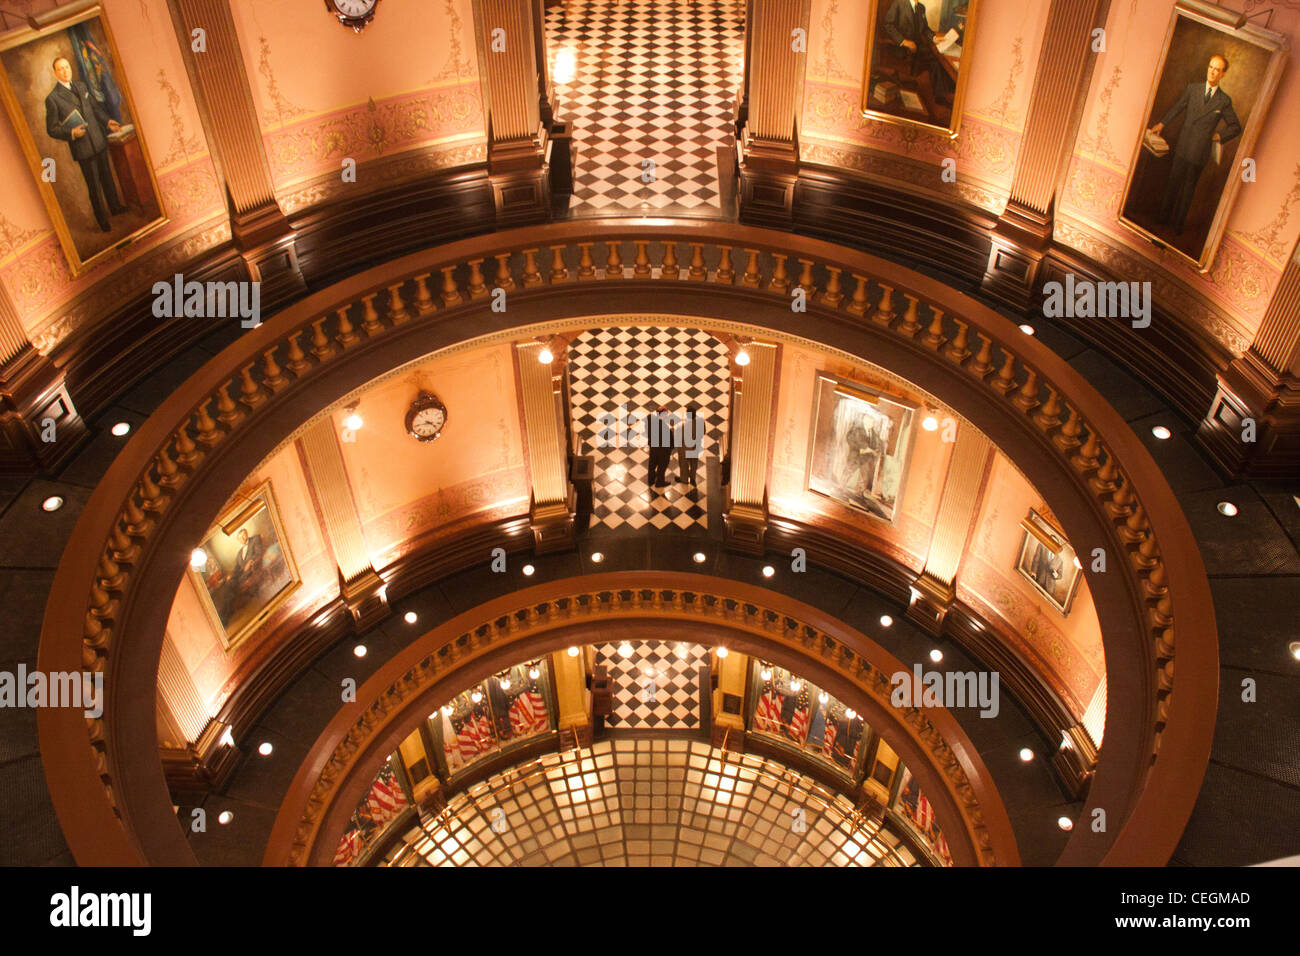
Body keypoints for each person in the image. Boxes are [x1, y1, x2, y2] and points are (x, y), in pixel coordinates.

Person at [1148, 54, 1242, 235]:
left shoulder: (1224, 100)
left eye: (1217, 70)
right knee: (1173, 183)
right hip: (1184, 145)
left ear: (1223, 75)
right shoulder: (1193, 89)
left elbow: (1235, 127)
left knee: (1188, 189)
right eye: (1211, 67)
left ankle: (1177, 226)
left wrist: (1218, 136)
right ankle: (1162, 219)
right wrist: (1162, 123)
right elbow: (1178, 107)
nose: (1212, 72)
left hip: (1200, 151)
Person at [44, 55, 127, 233]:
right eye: (61, 69)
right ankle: (103, 220)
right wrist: (72, 133)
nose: (65, 71)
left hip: (98, 140)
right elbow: (52, 129)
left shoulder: (81, 86)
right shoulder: (53, 98)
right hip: (82, 148)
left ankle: (115, 207)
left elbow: (95, 109)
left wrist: (107, 122)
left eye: (67, 67)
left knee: (107, 178)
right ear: (55, 73)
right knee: (94, 186)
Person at [882, 0, 956, 103]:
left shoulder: (921, 7)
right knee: (935, 62)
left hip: (918, 47)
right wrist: (903, 41)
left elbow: (925, 28)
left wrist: (934, 38)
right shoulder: (898, 3)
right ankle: (941, 96)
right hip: (902, 48)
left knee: (938, 59)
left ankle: (943, 95)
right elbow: (888, 24)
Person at [232, 527, 265, 600]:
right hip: (243, 574)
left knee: (238, 583)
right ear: (238, 540)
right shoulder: (239, 553)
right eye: (240, 538)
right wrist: (231, 576)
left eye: (243, 535)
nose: (242, 538)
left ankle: (253, 594)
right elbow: (237, 568)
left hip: (253, 567)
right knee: (231, 583)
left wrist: (251, 561)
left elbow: (259, 552)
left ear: (247, 534)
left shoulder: (255, 539)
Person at [645, 405, 674, 489]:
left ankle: (651, 480)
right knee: (662, 466)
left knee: (652, 464)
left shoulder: (650, 420)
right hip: (663, 451)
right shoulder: (665, 428)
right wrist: (670, 449)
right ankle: (660, 482)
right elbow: (670, 442)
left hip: (653, 448)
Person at [676, 403, 700, 489]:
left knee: (683, 464)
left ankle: (684, 479)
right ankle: (693, 478)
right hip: (695, 447)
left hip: (685, 448)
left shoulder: (684, 426)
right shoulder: (700, 423)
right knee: (694, 463)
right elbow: (703, 432)